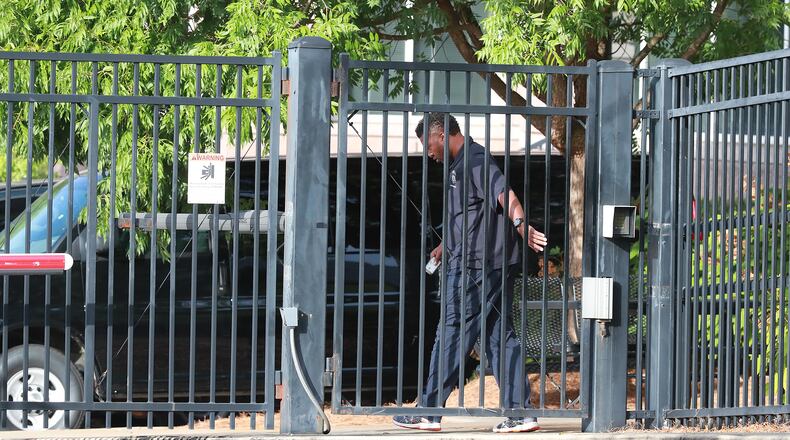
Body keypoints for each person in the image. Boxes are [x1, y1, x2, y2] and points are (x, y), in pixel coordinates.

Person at [392, 113, 547, 434]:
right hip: (484, 262)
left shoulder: (476, 160)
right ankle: (521, 412)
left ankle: (429, 410)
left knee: (450, 331)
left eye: (427, 144)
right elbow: (469, 216)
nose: (427, 152)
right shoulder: (458, 166)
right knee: (500, 337)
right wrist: (444, 244)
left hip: (477, 266)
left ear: (442, 134)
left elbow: (506, 195)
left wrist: (522, 224)